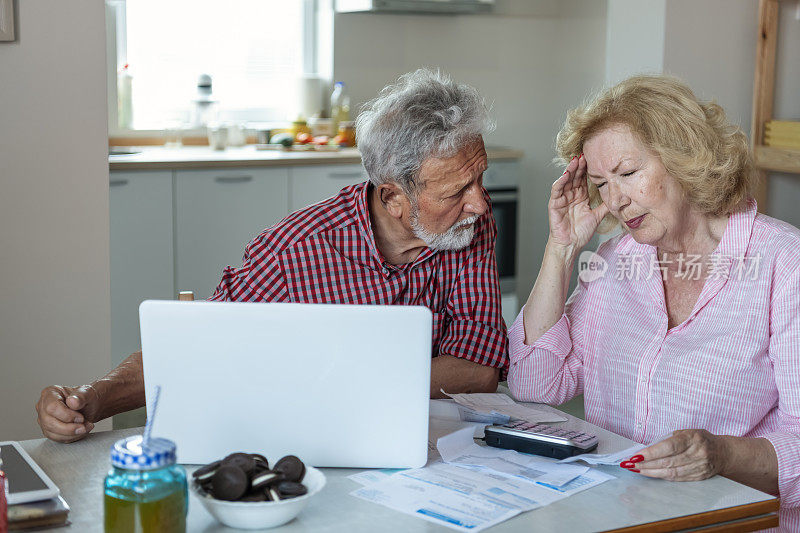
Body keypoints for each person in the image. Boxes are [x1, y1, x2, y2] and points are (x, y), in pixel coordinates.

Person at [36, 69, 509, 443]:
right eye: (457, 190)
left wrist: (346, 381)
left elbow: (479, 367)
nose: (481, 203)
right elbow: (196, 345)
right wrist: (91, 399)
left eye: (480, 178)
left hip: (437, 441)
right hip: (321, 442)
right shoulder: (294, 251)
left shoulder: (467, 227)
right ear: (392, 198)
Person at [508, 75, 800, 529]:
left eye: (627, 174)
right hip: (618, 516)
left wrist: (721, 455)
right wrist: (560, 250)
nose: (616, 199)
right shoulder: (615, 262)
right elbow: (534, 386)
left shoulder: (783, 263)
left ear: (685, 157)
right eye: (602, 184)